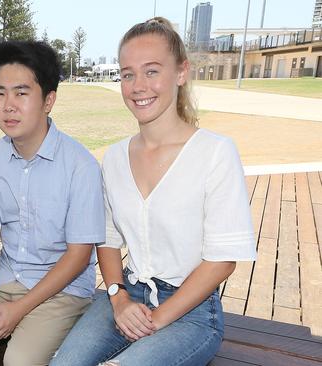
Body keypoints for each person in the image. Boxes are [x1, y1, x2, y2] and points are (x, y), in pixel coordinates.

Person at [50, 17, 257, 366]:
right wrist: (118, 298)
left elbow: (222, 260)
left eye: (152, 71)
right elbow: (108, 239)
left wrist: (156, 319)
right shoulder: (115, 157)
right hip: (127, 295)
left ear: (181, 72)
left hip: (191, 310)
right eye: (128, 74)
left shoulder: (215, 152)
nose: (137, 85)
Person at [0, 40, 106, 366]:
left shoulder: (80, 166)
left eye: (21, 93)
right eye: (0, 93)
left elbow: (79, 255)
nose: (8, 105)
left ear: (48, 100)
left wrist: (18, 310)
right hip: (4, 276)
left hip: (61, 288)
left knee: (20, 361)